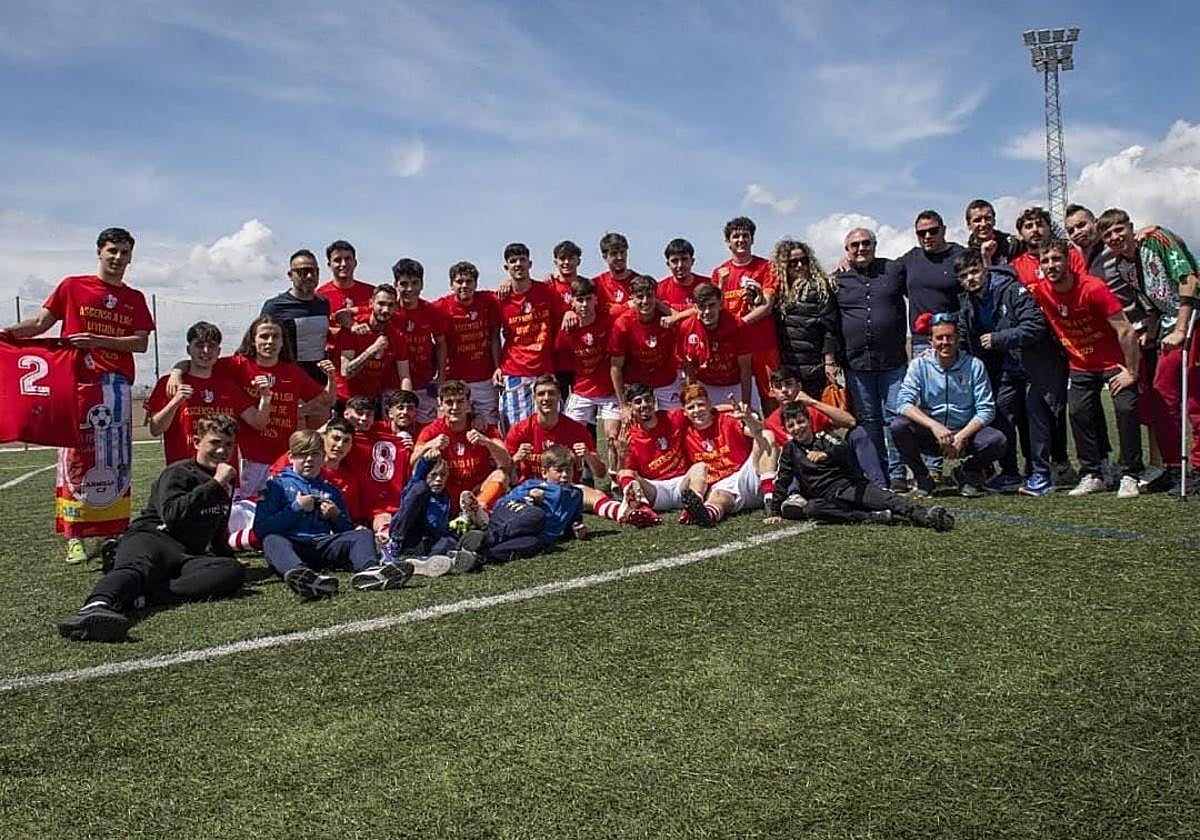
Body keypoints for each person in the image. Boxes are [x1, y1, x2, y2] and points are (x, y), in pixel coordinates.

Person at [2, 227, 154, 564]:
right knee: (73, 459)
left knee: (115, 459)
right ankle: (75, 537)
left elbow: (140, 343)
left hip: (115, 386)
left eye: (124, 252)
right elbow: (41, 323)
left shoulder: (135, 299)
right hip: (76, 385)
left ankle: (113, 528)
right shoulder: (73, 286)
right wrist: (7, 333)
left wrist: (97, 341)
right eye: (112, 250)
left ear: (131, 257)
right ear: (99, 252)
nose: (118, 258)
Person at [56, 415, 247, 642]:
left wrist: (227, 556)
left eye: (228, 445)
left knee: (231, 572)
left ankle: (145, 596)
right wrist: (215, 484)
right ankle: (95, 606)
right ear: (196, 442)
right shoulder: (178, 473)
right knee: (137, 569)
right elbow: (173, 515)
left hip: (186, 554)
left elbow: (216, 528)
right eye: (215, 443)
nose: (222, 451)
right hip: (153, 538)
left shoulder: (224, 483)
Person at [1029, 238, 1144, 497]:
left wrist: (1132, 372)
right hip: (1080, 364)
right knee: (1078, 412)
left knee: (1125, 409)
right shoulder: (1039, 290)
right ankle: (1092, 474)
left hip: (1114, 362)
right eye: (1045, 261)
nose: (1051, 265)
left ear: (1068, 261)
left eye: (1056, 259)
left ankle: (1130, 473)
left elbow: (1125, 330)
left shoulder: (1093, 288)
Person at [1097, 211, 1199, 491]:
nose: (1116, 237)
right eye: (1108, 235)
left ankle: (1194, 468)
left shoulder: (1156, 240)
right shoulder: (1122, 266)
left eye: (1120, 229)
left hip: (1192, 321)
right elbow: (1151, 303)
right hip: (1167, 328)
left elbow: (1188, 280)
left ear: (1131, 228)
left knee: (1192, 396)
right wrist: (1152, 332)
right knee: (1161, 394)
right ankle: (1174, 468)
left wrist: (1179, 329)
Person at [954, 249, 1066, 496]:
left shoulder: (1012, 289)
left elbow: (1035, 325)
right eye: (964, 275)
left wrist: (999, 338)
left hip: (1033, 366)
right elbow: (964, 337)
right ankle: (1009, 472)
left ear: (984, 269)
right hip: (1005, 370)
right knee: (1001, 415)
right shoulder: (967, 303)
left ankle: (1041, 473)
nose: (971, 278)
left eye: (974, 271)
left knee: (1036, 417)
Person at [254, 430, 403, 598]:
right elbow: (260, 528)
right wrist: (296, 508)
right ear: (291, 457)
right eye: (302, 454)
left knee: (362, 534)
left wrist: (336, 516)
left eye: (315, 454)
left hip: (321, 544)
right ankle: (300, 575)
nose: (309, 459)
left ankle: (371, 572)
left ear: (322, 456)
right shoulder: (275, 486)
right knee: (272, 540)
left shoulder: (331, 490)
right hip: (292, 544)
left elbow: (346, 530)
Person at [764, 403, 954, 531]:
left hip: (850, 488)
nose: (797, 428)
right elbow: (783, 479)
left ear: (809, 421)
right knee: (812, 509)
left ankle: (926, 516)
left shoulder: (824, 438)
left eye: (800, 422)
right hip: (827, 498)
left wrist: (825, 455)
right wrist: (774, 511)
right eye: (791, 425)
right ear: (786, 429)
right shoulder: (790, 449)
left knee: (888, 499)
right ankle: (871, 517)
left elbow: (843, 448)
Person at [504, 374, 658, 527]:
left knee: (596, 495)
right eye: (541, 394)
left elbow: (600, 473)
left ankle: (627, 513)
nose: (546, 398)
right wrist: (516, 458)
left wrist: (588, 456)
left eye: (551, 393)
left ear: (559, 397)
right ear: (534, 398)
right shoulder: (521, 430)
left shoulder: (575, 429)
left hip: (567, 489)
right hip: (533, 489)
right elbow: (505, 470)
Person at [890, 315, 1007, 497]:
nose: (945, 342)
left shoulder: (974, 366)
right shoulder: (918, 365)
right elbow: (903, 404)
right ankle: (923, 478)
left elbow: (986, 409)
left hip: (965, 432)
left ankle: (966, 472)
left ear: (958, 339)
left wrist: (961, 436)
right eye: (939, 338)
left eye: (949, 337)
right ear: (931, 341)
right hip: (932, 433)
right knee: (899, 426)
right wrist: (935, 426)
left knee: (997, 440)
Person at [1009, 206, 1084, 487]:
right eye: (1028, 225)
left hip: (1066, 339)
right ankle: (1033, 462)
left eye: (1039, 224)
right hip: (1032, 345)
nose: (1035, 230)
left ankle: (1062, 461)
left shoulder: (1067, 256)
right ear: (1021, 232)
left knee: (1060, 406)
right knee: (1031, 406)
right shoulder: (1016, 265)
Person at [834, 227, 909, 491]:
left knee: (895, 418)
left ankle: (899, 472)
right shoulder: (837, 279)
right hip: (857, 363)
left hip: (893, 360)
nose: (861, 248)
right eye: (854, 245)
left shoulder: (894, 270)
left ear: (875, 245)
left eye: (866, 243)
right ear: (847, 250)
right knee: (869, 421)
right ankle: (878, 473)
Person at [144, 321, 267, 469]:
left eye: (212, 346)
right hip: (184, 474)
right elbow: (155, 429)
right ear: (189, 349)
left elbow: (258, 422)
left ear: (219, 351)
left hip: (223, 476)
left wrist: (266, 397)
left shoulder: (228, 386)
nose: (206, 350)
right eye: (199, 345)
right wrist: (175, 402)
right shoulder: (168, 383)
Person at [763, 367, 886, 488]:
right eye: (778, 387)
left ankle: (880, 487)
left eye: (789, 384)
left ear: (799, 386)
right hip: (806, 475)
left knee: (858, 433)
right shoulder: (771, 422)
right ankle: (793, 498)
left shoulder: (813, 409)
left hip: (831, 461)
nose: (784, 390)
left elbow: (850, 421)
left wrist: (813, 402)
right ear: (772, 392)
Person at [678, 384, 777, 526]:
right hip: (721, 485)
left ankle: (770, 500)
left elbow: (758, 431)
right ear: (685, 412)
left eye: (701, 405)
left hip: (746, 475)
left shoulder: (727, 418)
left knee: (766, 436)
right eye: (691, 407)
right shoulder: (683, 432)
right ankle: (706, 515)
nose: (697, 411)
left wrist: (748, 418)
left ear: (709, 404)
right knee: (717, 498)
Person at [469, 445, 587, 564]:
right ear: (544, 473)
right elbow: (503, 502)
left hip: (535, 533)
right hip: (508, 518)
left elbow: (572, 525)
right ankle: (486, 537)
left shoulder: (576, 495)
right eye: (559, 471)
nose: (565, 475)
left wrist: (577, 530)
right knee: (537, 514)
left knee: (535, 543)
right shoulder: (533, 484)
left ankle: (478, 557)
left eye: (569, 470)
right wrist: (529, 498)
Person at [414, 379, 512, 515]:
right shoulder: (432, 431)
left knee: (501, 476)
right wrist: (430, 445)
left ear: (468, 404)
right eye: (449, 402)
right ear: (440, 405)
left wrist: (487, 442)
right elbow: (412, 463)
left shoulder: (482, 428)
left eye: (460, 401)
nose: (455, 407)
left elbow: (507, 464)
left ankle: (475, 512)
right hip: (445, 495)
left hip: (477, 493)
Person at [493, 243, 563, 429]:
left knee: (550, 428)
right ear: (506, 267)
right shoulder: (500, 298)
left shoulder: (547, 292)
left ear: (530, 263)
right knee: (518, 431)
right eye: (513, 261)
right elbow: (494, 336)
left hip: (544, 370)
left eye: (522, 260)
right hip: (515, 371)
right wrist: (497, 366)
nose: (518, 264)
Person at [712, 216, 779, 411]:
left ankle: (777, 438)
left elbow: (766, 306)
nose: (741, 240)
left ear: (752, 239)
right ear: (728, 241)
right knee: (741, 399)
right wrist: (722, 285)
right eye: (736, 236)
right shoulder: (720, 272)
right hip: (734, 348)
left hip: (763, 344)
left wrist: (738, 324)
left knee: (772, 396)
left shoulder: (766, 267)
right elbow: (716, 308)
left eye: (745, 235)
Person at [379, 451, 480, 577]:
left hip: (426, 544)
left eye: (443, 475)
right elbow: (419, 477)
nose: (438, 479)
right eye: (433, 475)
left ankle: (431, 561)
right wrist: (426, 461)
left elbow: (439, 527)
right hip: (408, 538)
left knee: (449, 539)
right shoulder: (416, 487)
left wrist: (459, 523)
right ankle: (393, 545)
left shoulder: (444, 498)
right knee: (421, 488)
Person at [616, 382, 709, 516]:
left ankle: (695, 507)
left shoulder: (673, 418)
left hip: (683, 484)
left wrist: (731, 410)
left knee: (700, 467)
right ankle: (642, 509)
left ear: (654, 401)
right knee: (625, 473)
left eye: (647, 399)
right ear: (630, 407)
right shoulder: (628, 436)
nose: (644, 405)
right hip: (655, 489)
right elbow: (624, 473)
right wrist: (621, 454)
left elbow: (704, 412)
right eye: (638, 402)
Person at [555, 277, 620, 468]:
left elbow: (631, 307)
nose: (584, 304)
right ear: (573, 302)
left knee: (613, 438)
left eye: (588, 299)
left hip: (608, 391)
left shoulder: (609, 320)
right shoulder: (567, 330)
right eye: (579, 300)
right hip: (582, 391)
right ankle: (576, 476)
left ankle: (616, 481)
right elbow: (561, 360)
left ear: (596, 300)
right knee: (569, 439)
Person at [770, 238, 841, 398]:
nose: (799, 265)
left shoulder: (821, 288)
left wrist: (829, 362)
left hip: (814, 367)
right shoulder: (778, 291)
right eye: (793, 262)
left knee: (817, 414)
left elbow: (830, 329)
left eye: (804, 260)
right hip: (787, 367)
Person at [435, 261, 501, 425]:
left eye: (469, 281)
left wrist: (498, 366)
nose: (464, 286)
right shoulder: (441, 307)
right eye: (459, 281)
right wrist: (441, 377)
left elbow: (495, 336)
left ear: (476, 284)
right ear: (451, 285)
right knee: (456, 428)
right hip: (455, 382)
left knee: (489, 427)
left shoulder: (488, 300)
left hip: (485, 380)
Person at [609, 274, 681, 412]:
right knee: (633, 428)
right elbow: (615, 367)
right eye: (640, 297)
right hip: (636, 385)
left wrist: (668, 312)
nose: (645, 301)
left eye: (650, 296)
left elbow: (692, 318)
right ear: (632, 298)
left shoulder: (667, 316)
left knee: (676, 424)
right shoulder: (623, 324)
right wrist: (623, 405)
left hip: (666, 382)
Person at [260, 249, 332, 387]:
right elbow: (260, 342)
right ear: (290, 275)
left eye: (314, 271)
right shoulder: (274, 307)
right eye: (303, 271)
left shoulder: (323, 304)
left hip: (320, 380)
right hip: (287, 380)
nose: (310, 276)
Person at [334, 283, 412, 409]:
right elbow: (346, 372)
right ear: (371, 303)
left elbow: (404, 375)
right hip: (344, 399)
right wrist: (372, 349)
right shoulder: (354, 328)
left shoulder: (396, 336)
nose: (386, 310)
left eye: (390, 305)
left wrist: (407, 403)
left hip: (371, 400)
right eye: (381, 304)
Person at [898, 210, 965, 354]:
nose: (927, 236)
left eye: (933, 231)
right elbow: (883, 271)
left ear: (944, 230)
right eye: (921, 233)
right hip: (922, 343)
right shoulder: (910, 259)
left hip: (955, 340)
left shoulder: (961, 256)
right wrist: (848, 261)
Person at [676, 282, 752, 408]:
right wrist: (693, 399)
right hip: (706, 385)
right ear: (695, 307)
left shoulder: (738, 326)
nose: (707, 312)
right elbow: (689, 368)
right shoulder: (686, 328)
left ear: (721, 304)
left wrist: (746, 404)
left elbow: (746, 369)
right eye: (701, 307)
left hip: (736, 383)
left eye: (711, 306)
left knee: (749, 421)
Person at [391, 258, 448, 424]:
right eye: (404, 284)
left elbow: (441, 343)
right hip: (392, 383)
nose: (410, 289)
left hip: (424, 383)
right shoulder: (390, 310)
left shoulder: (431, 311)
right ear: (396, 285)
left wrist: (442, 375)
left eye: (415, 283)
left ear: (422, 284)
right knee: (398, 432)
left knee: (425, 431)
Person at [316, 239, 376, 341]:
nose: (343, 264)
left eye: (348, 259)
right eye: (337, 260)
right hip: (334, 354)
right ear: (329, 265)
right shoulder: (319, 296)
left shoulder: (372, 293)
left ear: (355, 263)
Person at [594, 232, 641, 318]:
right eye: (614, 254)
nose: (620, 257)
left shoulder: (640, 282)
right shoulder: (596, 284)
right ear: (604, 256)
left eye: (622, 252)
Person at [965, 199, 1024, 266]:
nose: (983, 224)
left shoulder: (1013, 245)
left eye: (988, 218)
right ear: (969, 225)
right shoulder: (967, 258)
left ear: (994, 221)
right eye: (977, 220)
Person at [657, 238, 707, 317]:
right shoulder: (659, 289)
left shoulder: (707, 285)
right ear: (668, 264)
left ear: (692, 261)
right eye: (674, 261)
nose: (680, 265)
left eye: (684, 259)